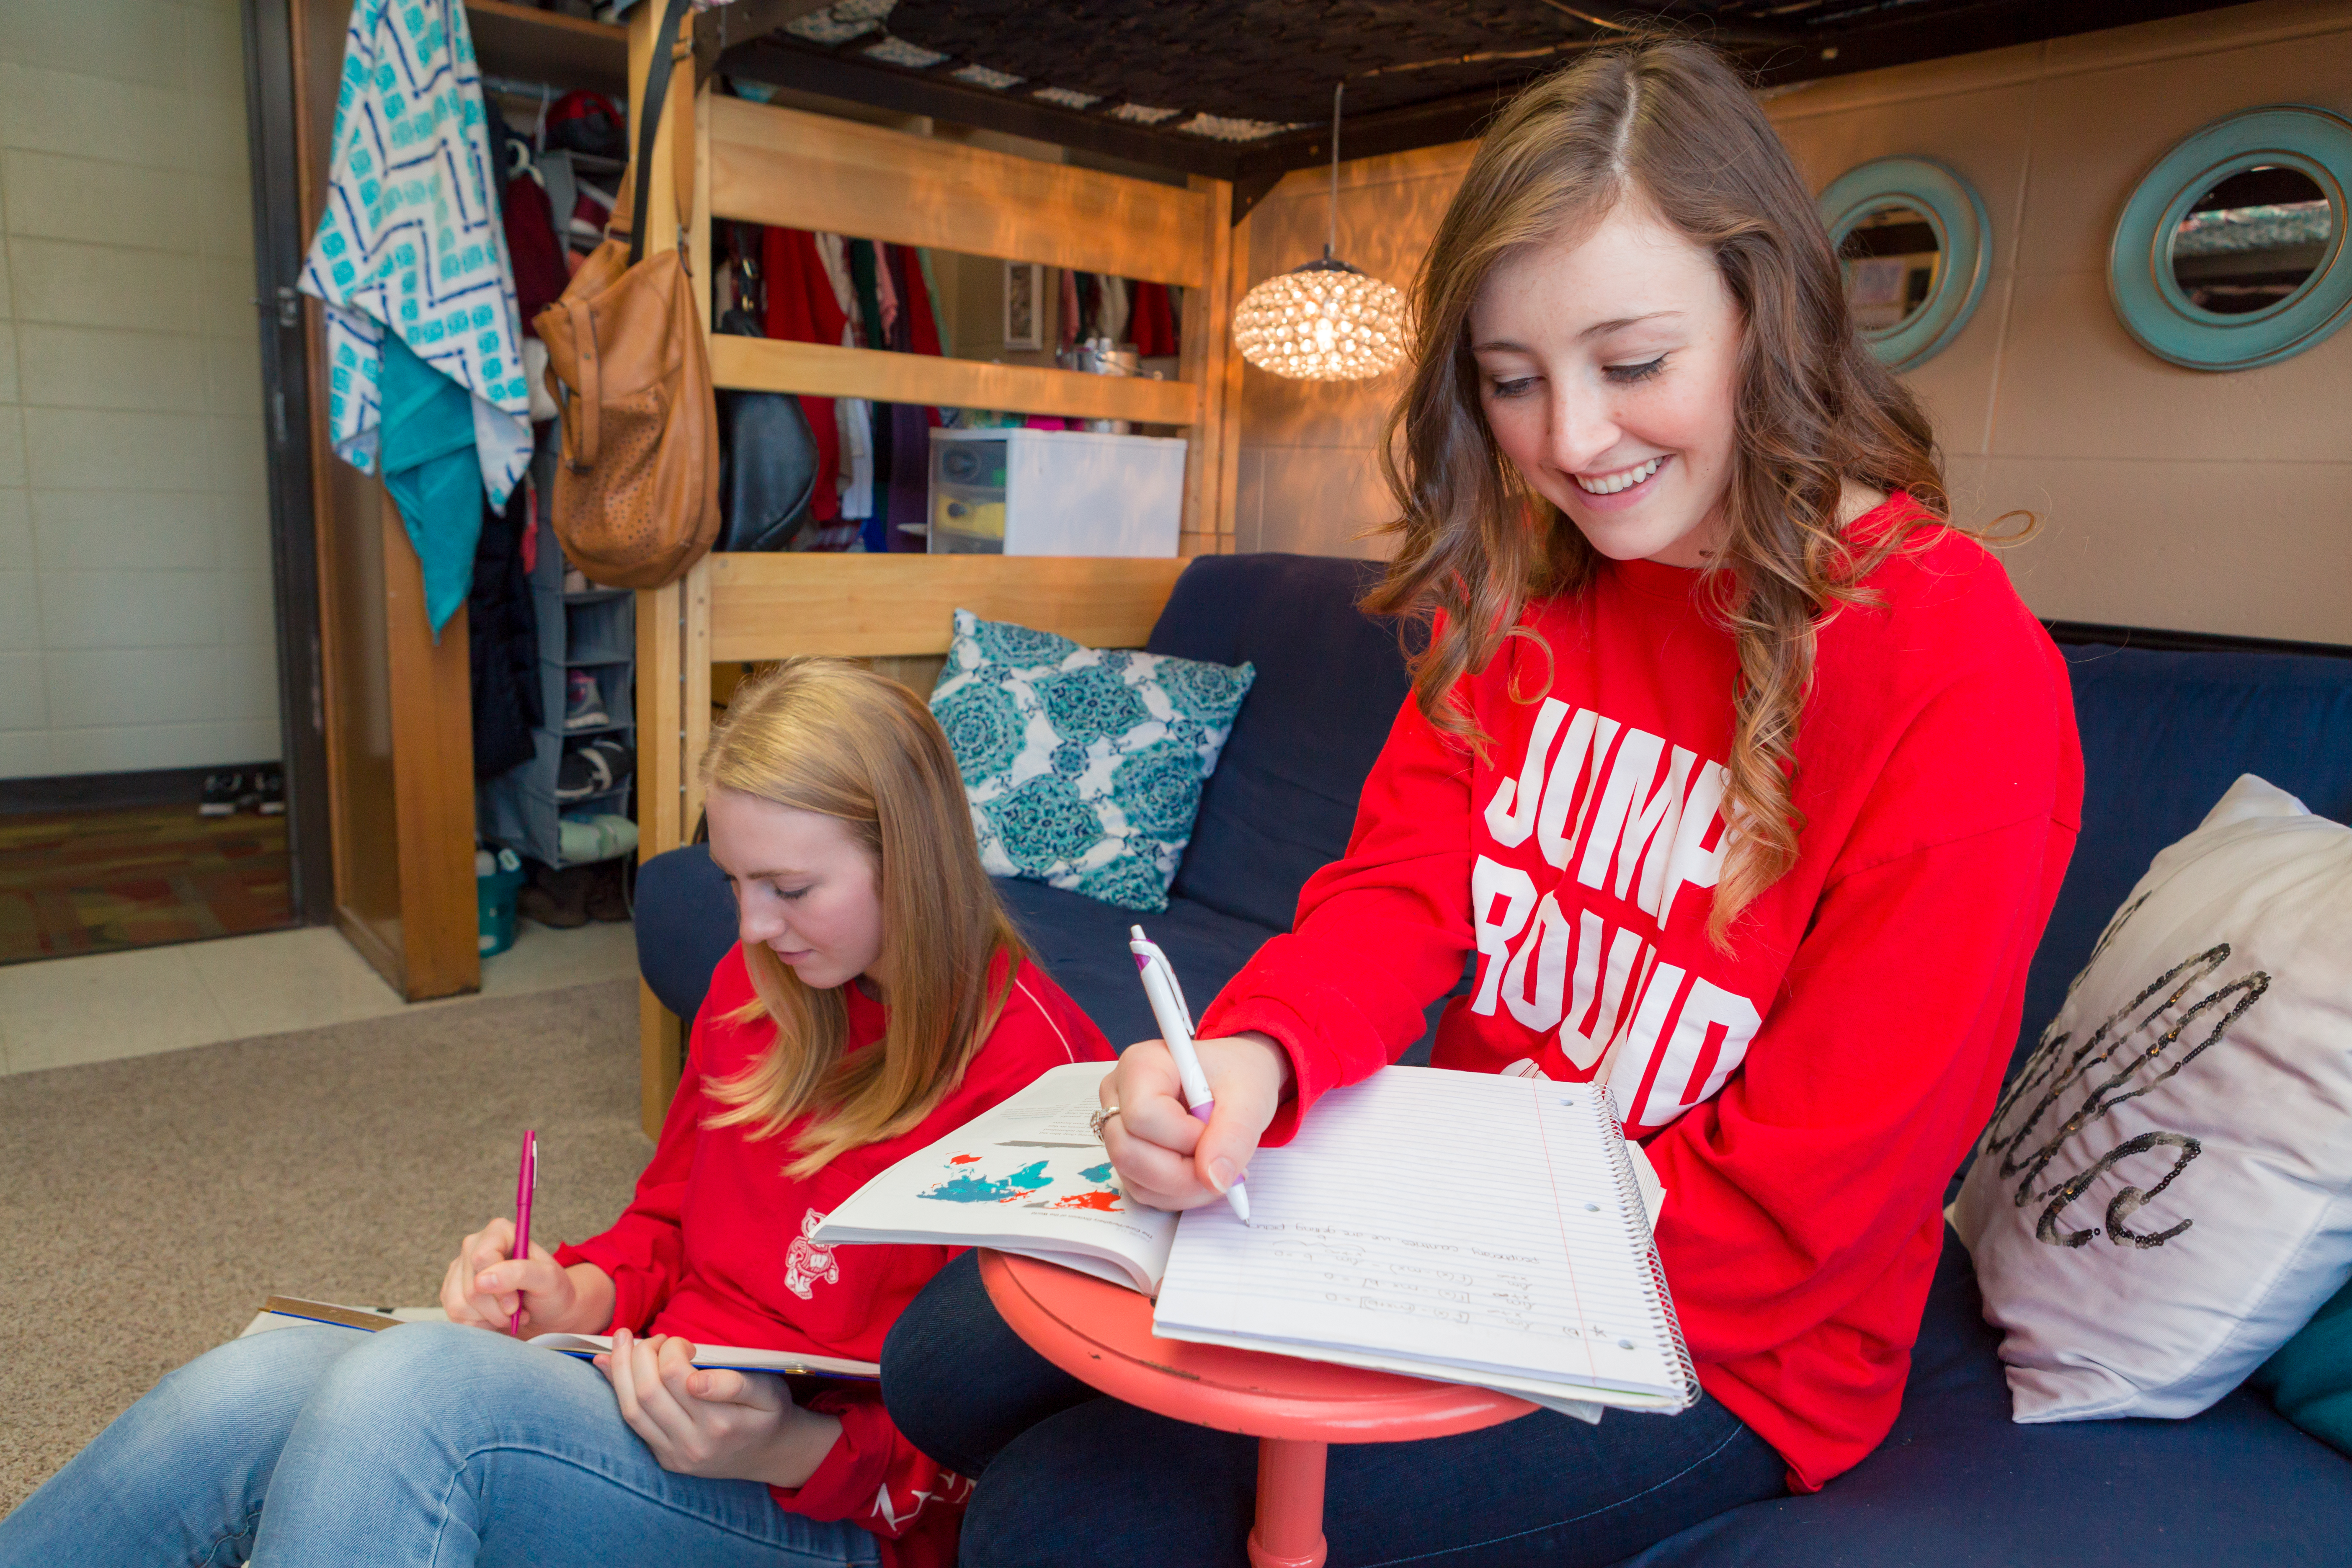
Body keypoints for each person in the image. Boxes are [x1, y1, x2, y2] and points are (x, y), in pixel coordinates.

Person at [880, 38, 2082, 1568]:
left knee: (1067, 1527)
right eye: (1514, 384)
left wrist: (1419, 1293)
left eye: (1634, 366)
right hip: (1449, 1209)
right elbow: (1396, 896)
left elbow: (1814, 1199)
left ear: (1766, 314)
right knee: (941, 1364)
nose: (1572, 444)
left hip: (1715, 1340)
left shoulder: (1957, 670)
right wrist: (1256, 1053)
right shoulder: (1524, 585)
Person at [0, 660, 1112, 1568]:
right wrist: (571, 1290)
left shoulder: (1045, 1081)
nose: (753, 926)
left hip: (830, 1517)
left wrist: (790, 1448)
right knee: (243, 1397)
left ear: (908, 861)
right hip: (656, 1398)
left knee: (417, 1396)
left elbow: (1003, 1468)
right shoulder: (759, 987)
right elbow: (667, 1230)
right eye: (733, 882)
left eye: (790, 888)